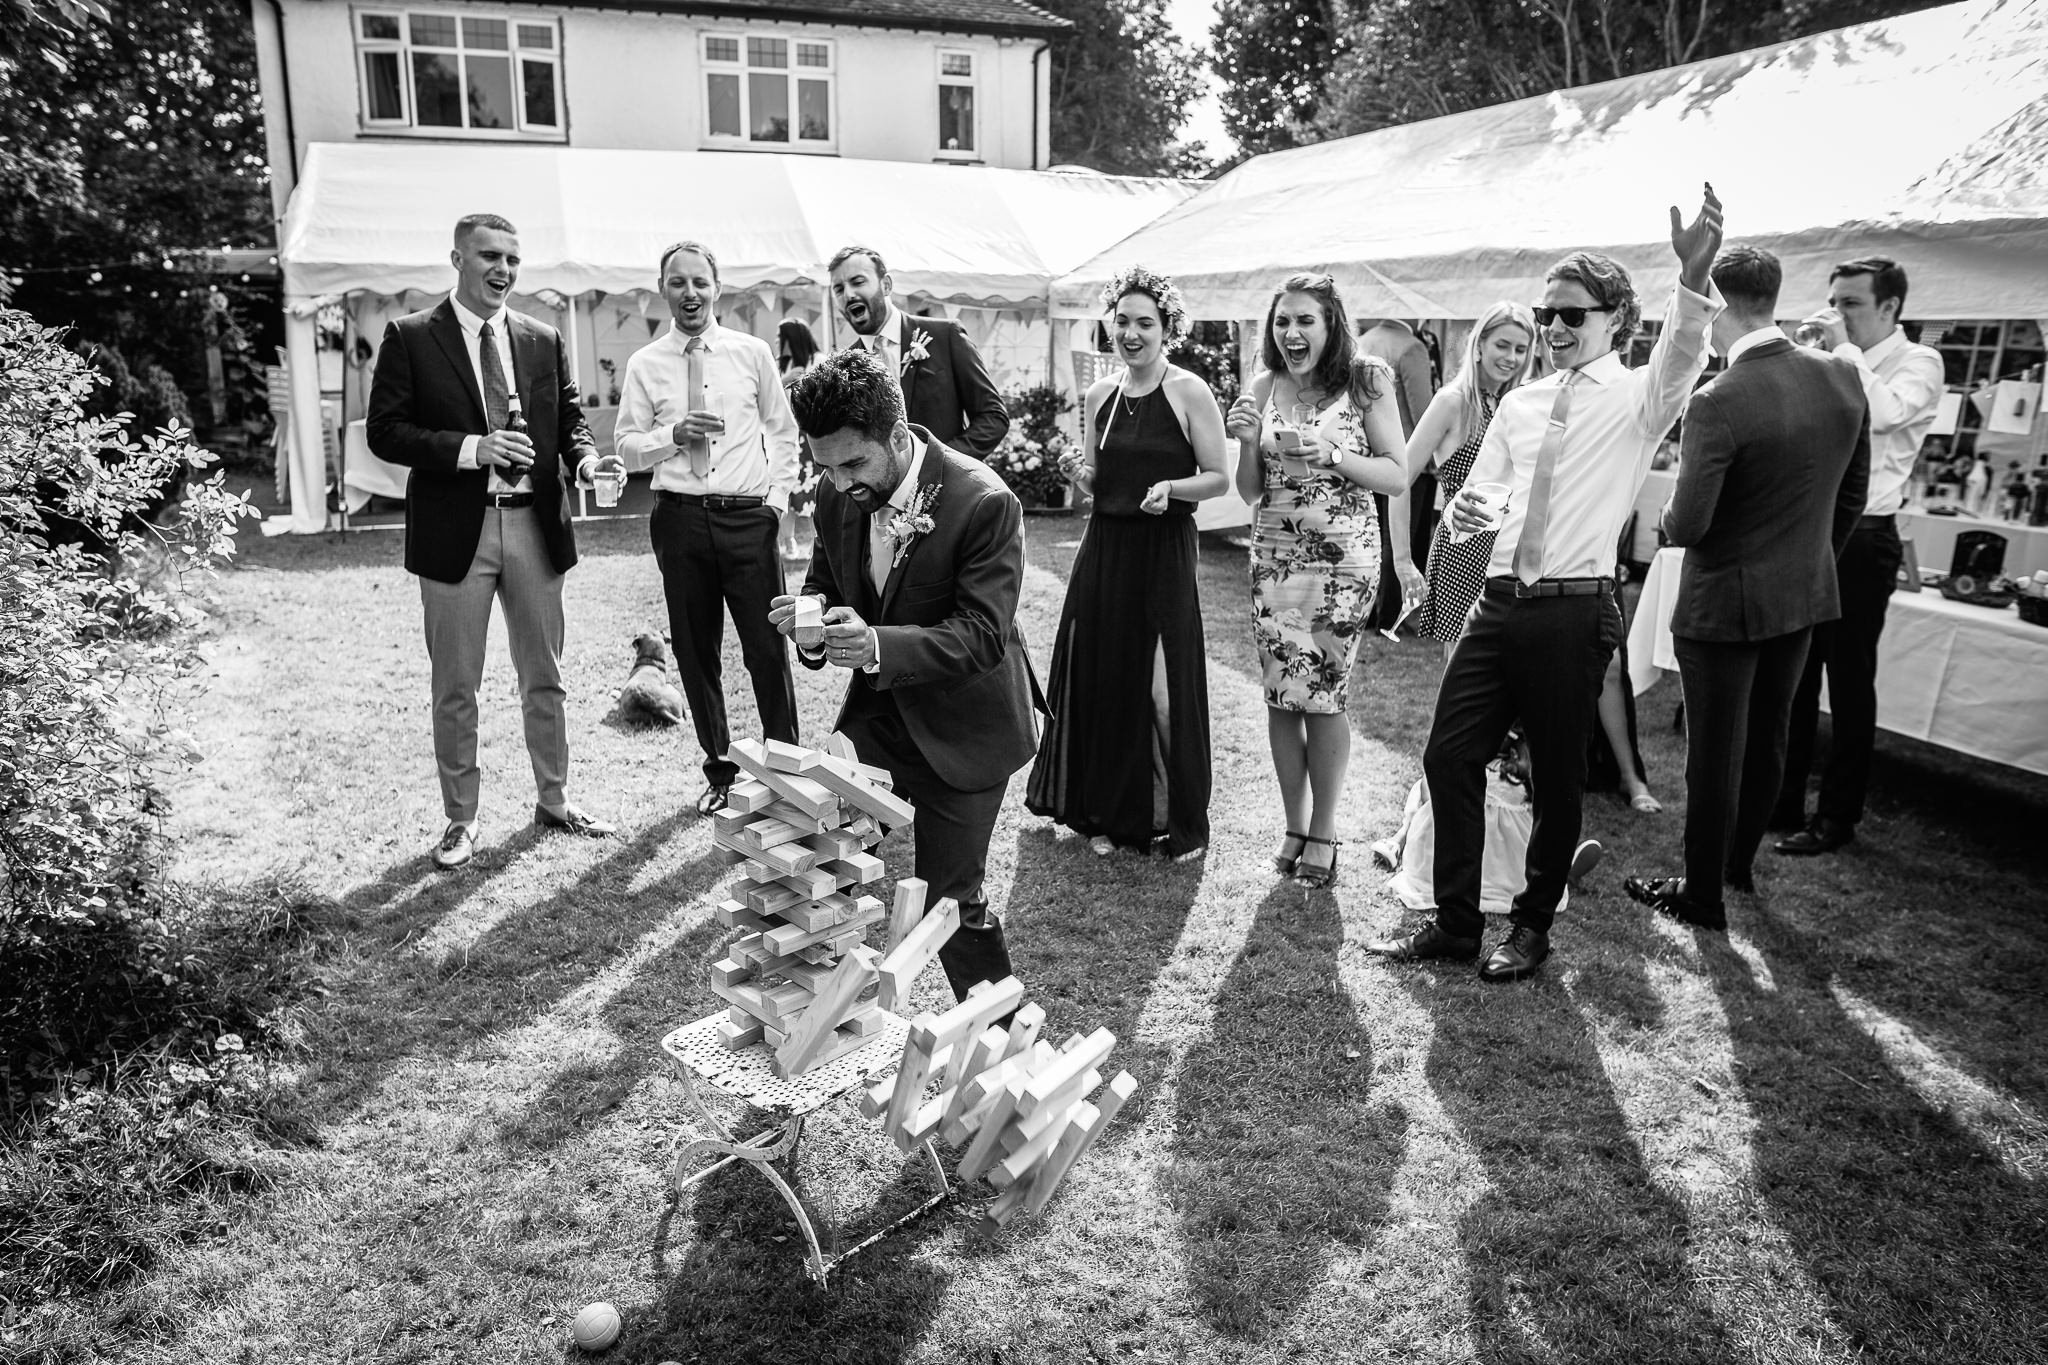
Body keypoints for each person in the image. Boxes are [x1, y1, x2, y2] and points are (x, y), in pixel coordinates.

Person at [1366, 184, 1725, 983]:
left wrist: (1693, 280)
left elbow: (1684, 355)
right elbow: (1476, 508)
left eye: (1573, 315)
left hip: (1574, 611)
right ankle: (1456, 922)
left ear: (1614, 323)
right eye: (1548, 314)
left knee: (1557, 777)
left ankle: (1530, 924)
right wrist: (1440, 590)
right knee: (1448, 755)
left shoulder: (1642, 398)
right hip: (1498, 606)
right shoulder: (1520, 404)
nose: (1554, 327)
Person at [768, 349, 1038, 1004]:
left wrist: (876, 644)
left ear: (898, 435)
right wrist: (809, 627)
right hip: (881, 717)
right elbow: (827, 584)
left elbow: (980, 633)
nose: (837, 482)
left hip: (966, 726)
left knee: (951, 909)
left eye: (852, 463)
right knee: (811, 851)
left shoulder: (984, 502)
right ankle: (818, 1023)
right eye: (824, 465)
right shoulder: (838, 495)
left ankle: (1007, 1052)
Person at [1623, 245, 1871, 929]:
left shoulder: (1718, 399)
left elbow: (1691, 522)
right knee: (1768, 738)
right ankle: (1735, 867)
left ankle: (1701, 894)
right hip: (1802, 593)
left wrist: (1665, 516)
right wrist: (1812, 557)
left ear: (1720, 307)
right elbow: (1853, 494)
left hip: (1723, 601)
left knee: (1714, 749)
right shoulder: (1843, 377)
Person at [366, 212, 622, 868]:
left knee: (546, 675)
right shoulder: (411, 336)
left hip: (536, 524)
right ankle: (460, 820)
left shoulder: (541, 337)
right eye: (489, 255)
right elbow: (385, 432)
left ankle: (556, 799)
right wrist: (472, 449)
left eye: (512, 257)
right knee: (456, 684)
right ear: (456, 258)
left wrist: (588, 462)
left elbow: (569, 418)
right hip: (459, 529)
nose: (502, 268)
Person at [1026, 266, 1228, 860]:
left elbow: (1217, 480)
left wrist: (1172, 487)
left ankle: (1181, 820)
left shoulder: (1189, 391)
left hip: (1163, 550)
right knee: (1108, 681)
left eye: (1146, 322)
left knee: (1165, 689)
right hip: (1106, 549)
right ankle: (1114, 814)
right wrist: (1077, 475)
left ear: (1169, 329)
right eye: (1123, 321)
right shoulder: (1100, 396)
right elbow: (1098, 483)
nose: (1132, 333)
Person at [1223, 274, 1410, 889]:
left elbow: (1395, 474)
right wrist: (1248, 443)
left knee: (1324, 696)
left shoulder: (1366, 379)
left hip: (1343, 562)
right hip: (1274, 559)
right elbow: (1250, 491)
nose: (1292, 332)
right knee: (1281, 696)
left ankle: (1325, 832)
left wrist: (1331, 456)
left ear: (1331, 324)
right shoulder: (1262, 385)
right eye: (1282, 321)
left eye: (1305, 320)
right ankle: (1294, 826)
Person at [613, 241, 802, 817]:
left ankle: (788, 771)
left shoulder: (750, 354)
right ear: (663, 290)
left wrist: (773, 502)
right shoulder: (645, 364)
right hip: (680, 521)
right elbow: (625, 447)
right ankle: (720, 771)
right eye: (678, 283)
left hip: (749, 519)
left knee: (767, 651)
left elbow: (784, 431)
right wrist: (672, 435)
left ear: (718, 288)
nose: (690, 293)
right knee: (697, 654)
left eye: (700, 282)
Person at [1773, 255, 1944, 856]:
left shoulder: (1920, 361)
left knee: (1848, 683)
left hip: (1867, 536)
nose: (1837, 312)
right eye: (1836, 300)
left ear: (1890, 308)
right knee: (1795, 676)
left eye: (1852, 303)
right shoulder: (1834, 356)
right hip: (1813, 529)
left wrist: (1843, 352)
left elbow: (1890, 414)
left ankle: (1837, 816)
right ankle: (1782, 800)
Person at [1388, 302, 1536, 658]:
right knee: (1463, 673)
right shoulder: (1452, 402)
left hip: (1513, 553)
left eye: (1520, 349)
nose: (1511, 357)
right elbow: (1398, 480)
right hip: (1464, 549)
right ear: (1479, 345)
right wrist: (1404, 561)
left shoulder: (1514, 404)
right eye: (1503, 345)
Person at [827, 245, 1009, 457]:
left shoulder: (945, 335)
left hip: (946, 485)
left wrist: (944, 463)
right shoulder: (844, 368)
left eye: (858, 282)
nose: (848, 294)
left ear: (886, 285)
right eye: (839, 289)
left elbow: (993, 417)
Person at [1358, 317, 1437, 628]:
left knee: (1373, 538)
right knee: (1398, 538)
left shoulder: (1364, 341)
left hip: (1367, 457)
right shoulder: (1412, 348)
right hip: (1405, 459)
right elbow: (1424, 413)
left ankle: (1369, 609)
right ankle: (1389, 614)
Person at [777, 318, 824, 561]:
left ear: (791, 338)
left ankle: (821, 544)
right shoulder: (782, 366)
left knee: (819, 492)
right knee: (788, 491)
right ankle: (790, 543)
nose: (777, 341)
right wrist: (783, 382)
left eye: (780, 336)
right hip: (789, 438)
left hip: (812, 436)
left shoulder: (818, 361)